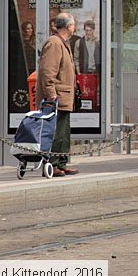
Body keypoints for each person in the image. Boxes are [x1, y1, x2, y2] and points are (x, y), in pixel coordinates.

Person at [34, 12, 79, 177]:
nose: (75, 27)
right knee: (56, 132)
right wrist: (51, 94)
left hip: (65, 96)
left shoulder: (63, 43)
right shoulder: (54, 43)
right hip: (57, 97)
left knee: (64, 132)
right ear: (68, 26)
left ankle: (61, 162)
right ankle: (53, 164)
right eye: (73, 24)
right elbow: (48, 71)